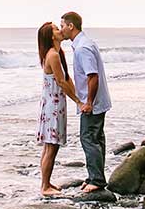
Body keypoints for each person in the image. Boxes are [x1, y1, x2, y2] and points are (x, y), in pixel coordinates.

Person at [59, 11, 112, 193]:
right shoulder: (85, 43)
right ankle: (94, 176)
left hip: (93, 103)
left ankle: (96, 180)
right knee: (97, 139)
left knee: (88, 139)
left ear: (70, 26)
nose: (61, 30)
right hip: (98, 101)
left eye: (62, 26)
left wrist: (88, 102)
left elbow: (92, 77)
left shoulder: (82, 48)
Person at [36, 21, 80, 197]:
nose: (60, 30)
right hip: (53, 105)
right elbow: (61, 82)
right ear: (51, 36)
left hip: (53, 104)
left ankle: (46, 183)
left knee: (49, 147)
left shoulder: (57, 53)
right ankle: (45, 187)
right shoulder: (52, 55)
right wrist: (77, 100)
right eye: (56, 28)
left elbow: (67, 79)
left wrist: (79, 96)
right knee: (51, 147)